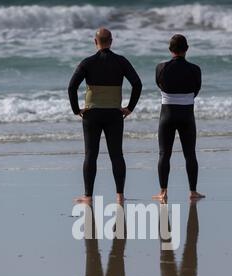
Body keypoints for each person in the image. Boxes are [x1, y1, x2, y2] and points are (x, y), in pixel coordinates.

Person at [68, 28, 142, 204]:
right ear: (111, 41)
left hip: (91, 114)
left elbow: (71, 87)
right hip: (114, 114)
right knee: (116, 155)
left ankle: (87, 197)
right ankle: (120, 196)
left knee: (90, 155)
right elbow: (137, 84)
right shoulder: (121, 61)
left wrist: (76, 110)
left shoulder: (87, 63)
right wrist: (129, 108)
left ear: (95, 42)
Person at [153, 34, 205, 202]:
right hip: (186, 116)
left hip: (167, 115)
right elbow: (196, 90)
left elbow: (159, 84)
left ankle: (163, 192)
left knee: (164, 154)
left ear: (170, 50)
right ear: (187, 49)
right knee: (190, 154)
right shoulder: (195, 69)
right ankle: (193, 192)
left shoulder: (160, 68)